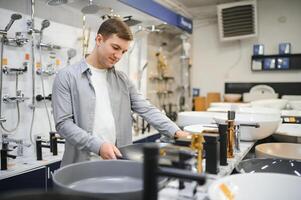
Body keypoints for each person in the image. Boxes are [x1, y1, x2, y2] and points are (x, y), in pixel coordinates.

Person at [52, 17, 189, 167]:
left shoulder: (122, 80)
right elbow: (63, 124)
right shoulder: (67, 76)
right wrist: (98, 146)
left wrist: (176, 132)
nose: (118, 56)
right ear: (99, 40)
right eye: (115, 48)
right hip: (81, 166)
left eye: (123, 51)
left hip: (118, 162)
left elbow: (147, 109)